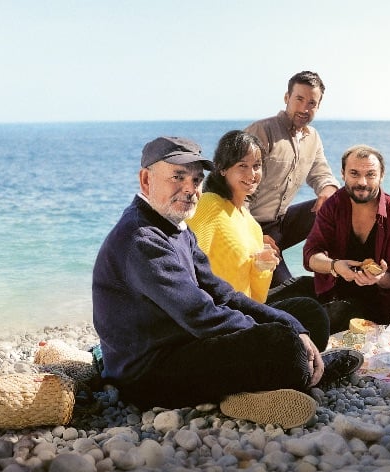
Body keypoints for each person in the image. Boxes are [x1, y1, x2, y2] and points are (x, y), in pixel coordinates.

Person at [92, 136, 362, 429]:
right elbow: (200, 314)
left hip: (185, 340)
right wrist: (281, 335)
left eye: (196, 180)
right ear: (146, 180)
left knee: (308, 316)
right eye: (178, 177)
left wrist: (292, 326)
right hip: (148, 372)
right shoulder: (141, 238)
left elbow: (224, 294)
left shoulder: (176, 227)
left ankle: (262, 383)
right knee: (285, 346)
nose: (190, 189)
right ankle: (253, 391)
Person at [245, 70, 339, 287]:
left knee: (339, 204)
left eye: (312, 103)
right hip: (251, 225)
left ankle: (336, 274)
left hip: (282, 223)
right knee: (288, 291)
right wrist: (252, 235)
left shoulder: (312, 137)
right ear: (287, 98)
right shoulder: (261, 131)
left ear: (318, 106)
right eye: (299, 99)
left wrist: (328, 191)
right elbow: (233, 190)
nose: (305, 108)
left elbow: (321, 174)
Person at [303, 145, 390, 331]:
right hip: (331, 291)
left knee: (335, 313)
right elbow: (310, 255)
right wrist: (334, 265)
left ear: (381, 175)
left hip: (373, 306)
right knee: (290, 290)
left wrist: (379, 278)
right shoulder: (333, 206)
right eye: (354, 173)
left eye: (370, 174)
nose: (362, 182)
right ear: (343, 174)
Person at [186, 131, 278, 304]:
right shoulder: (208, 205)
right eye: (242, 166)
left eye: (257, 165)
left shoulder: (253, 226)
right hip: (214, 315)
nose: (252, 174)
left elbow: (258, 299)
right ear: (222, 168)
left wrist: (262, 268)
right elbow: (189, 268)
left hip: (243, 315)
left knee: (306, 308)